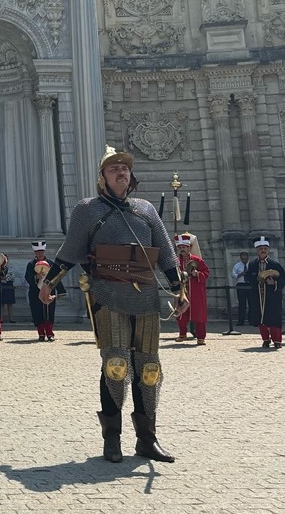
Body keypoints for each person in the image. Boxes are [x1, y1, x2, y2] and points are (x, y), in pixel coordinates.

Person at [39, 146, 185, 463]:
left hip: (146, 296)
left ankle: (147, 439)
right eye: (114, 168)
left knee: (148, 369)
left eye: (125, 168)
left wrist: (178, 289)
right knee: (116, 366)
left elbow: (166, 252)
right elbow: (69, 252)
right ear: (102, 177)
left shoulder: (146, 209)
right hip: (109, 294)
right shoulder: (87, 209)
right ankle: (112, 439)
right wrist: (48, 283)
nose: (121, 171)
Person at [245, 237, 285, 349]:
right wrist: (256, 278)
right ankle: (265, 340)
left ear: (268, 250)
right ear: (257, 250)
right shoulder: (253, 264)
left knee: (274, 318)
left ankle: (277, 340)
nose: (263, 250)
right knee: (260, 318)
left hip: (272, 296)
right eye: (260, 248)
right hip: (257, 295)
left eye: (265, 248)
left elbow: (283, 279)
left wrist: (274, 282)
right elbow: (248, 276)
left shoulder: (275, 264)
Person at [174, 234, 209, 345]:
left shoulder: (197, 260)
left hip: (196, 292)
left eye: (184, 247)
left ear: (189, 248)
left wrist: (197, 274)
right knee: (180, 313)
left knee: (199, 314)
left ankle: (201, 337)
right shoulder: (175, 262)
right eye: (180, 248)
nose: (182, 249)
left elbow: (206, 272)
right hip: (182, 291)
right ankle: (182, 334)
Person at [26, 241, 63, 342]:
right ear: (35, 253)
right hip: (35, 292)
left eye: (41, 252)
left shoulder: (51, 263)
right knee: (37, 312)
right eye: (38, 252)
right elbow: (27, 277)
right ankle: (41, 333)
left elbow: (57, 276)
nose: (40, 254)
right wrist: (36, 277)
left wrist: (59, 290)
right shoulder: (31, 264)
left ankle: (50, 333)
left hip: (49, 291)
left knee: (49, 312)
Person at [232, 251, 252, 326]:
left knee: (251, 303)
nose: (244, 260)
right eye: (243, 259)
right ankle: (241, 320)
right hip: (241, 285)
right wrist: (240, 274)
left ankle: (251, 320)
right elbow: (233, 275)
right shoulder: (237, 266)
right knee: (242, 304)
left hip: (250, 284)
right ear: (240, 258)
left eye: (246, 259)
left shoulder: (251, 265)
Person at [0, 255, 17, 323]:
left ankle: (11, 318)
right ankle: (1, 318)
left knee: (10, 303)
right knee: (1, 303)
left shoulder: (11, 268)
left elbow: (13, 277)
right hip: (2, 285)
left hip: (9, 285)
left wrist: (4, 278)